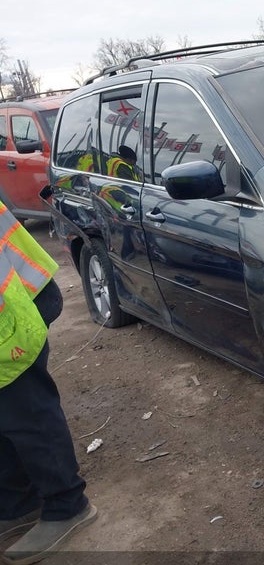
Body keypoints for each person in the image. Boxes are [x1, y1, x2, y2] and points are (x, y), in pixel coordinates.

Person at [0, 200, 97, 564]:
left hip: (12, 312)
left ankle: (67, 505)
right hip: (16, 297)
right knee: (7, 418)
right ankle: (18, 504)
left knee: (26, 414)